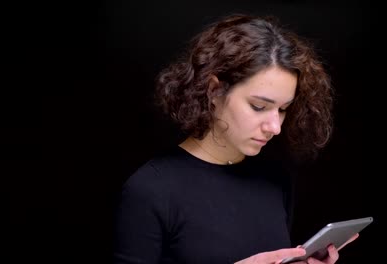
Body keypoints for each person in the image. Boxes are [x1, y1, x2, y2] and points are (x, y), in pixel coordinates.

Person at [113, 14, 359, 264]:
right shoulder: (150, 190)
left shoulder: (275, 179)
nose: (275, 127)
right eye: (259, 106)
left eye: (283, 109)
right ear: (214, 90)